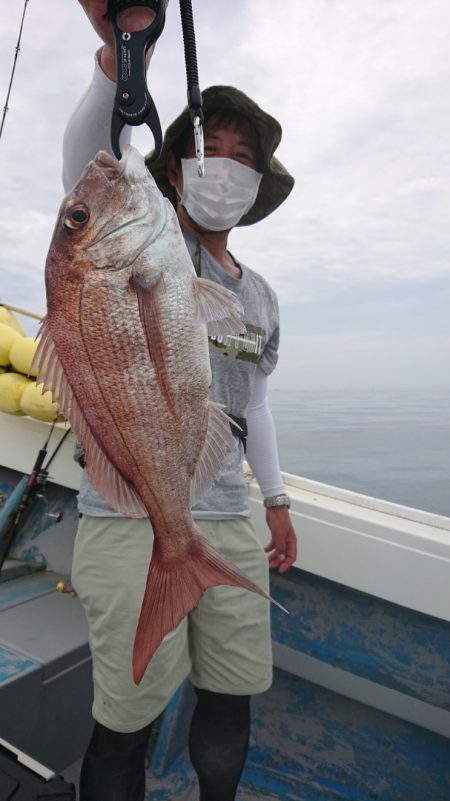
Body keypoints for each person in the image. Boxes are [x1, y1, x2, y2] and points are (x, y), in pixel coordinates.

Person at [65, 3, 298, 800]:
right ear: (171, 171)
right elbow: (88, 156)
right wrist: (120, 57)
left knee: (231, 695)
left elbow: (253, 405)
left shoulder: (258, 296)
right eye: (212, 151)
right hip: (132, 513)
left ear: (257, 184)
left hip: (228, 510)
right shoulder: (147, 236)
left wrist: (276, 500)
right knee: (124, 719)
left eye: (243, 157)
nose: (226, 167)